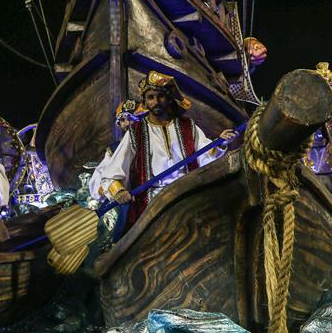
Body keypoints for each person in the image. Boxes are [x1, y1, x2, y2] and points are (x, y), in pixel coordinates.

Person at [92, 71, 237, 227]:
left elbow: (206, 156)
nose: (156, 102)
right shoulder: (136, 132)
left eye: (160, 96)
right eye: (151, 97)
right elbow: (111, 173)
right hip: (153, 201)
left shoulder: (187, 126)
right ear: (145, 102)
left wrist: (219, 143)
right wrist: (118, 191)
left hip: (188, 193)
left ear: (168, 99)